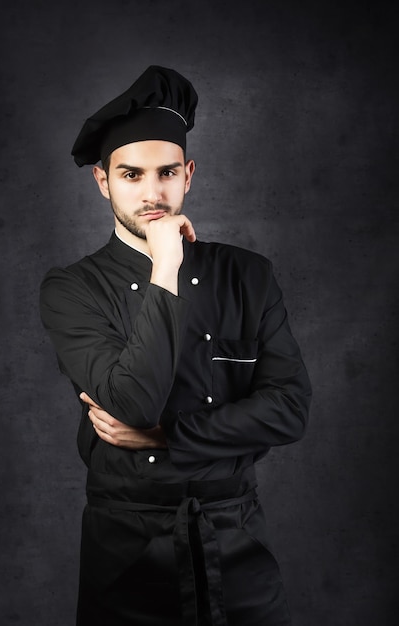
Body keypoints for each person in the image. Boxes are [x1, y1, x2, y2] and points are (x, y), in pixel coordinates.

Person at [39, 65, 312, 626]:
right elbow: (132, 404)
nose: (153, 193)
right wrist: (167, 262)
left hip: (237, 542)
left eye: (166, 173)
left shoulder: (248, 275)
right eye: (131, 175)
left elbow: (290, 410)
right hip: (127, 552)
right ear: (102, 182)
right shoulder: (72, 289)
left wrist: (168, 434)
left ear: (188, 174)